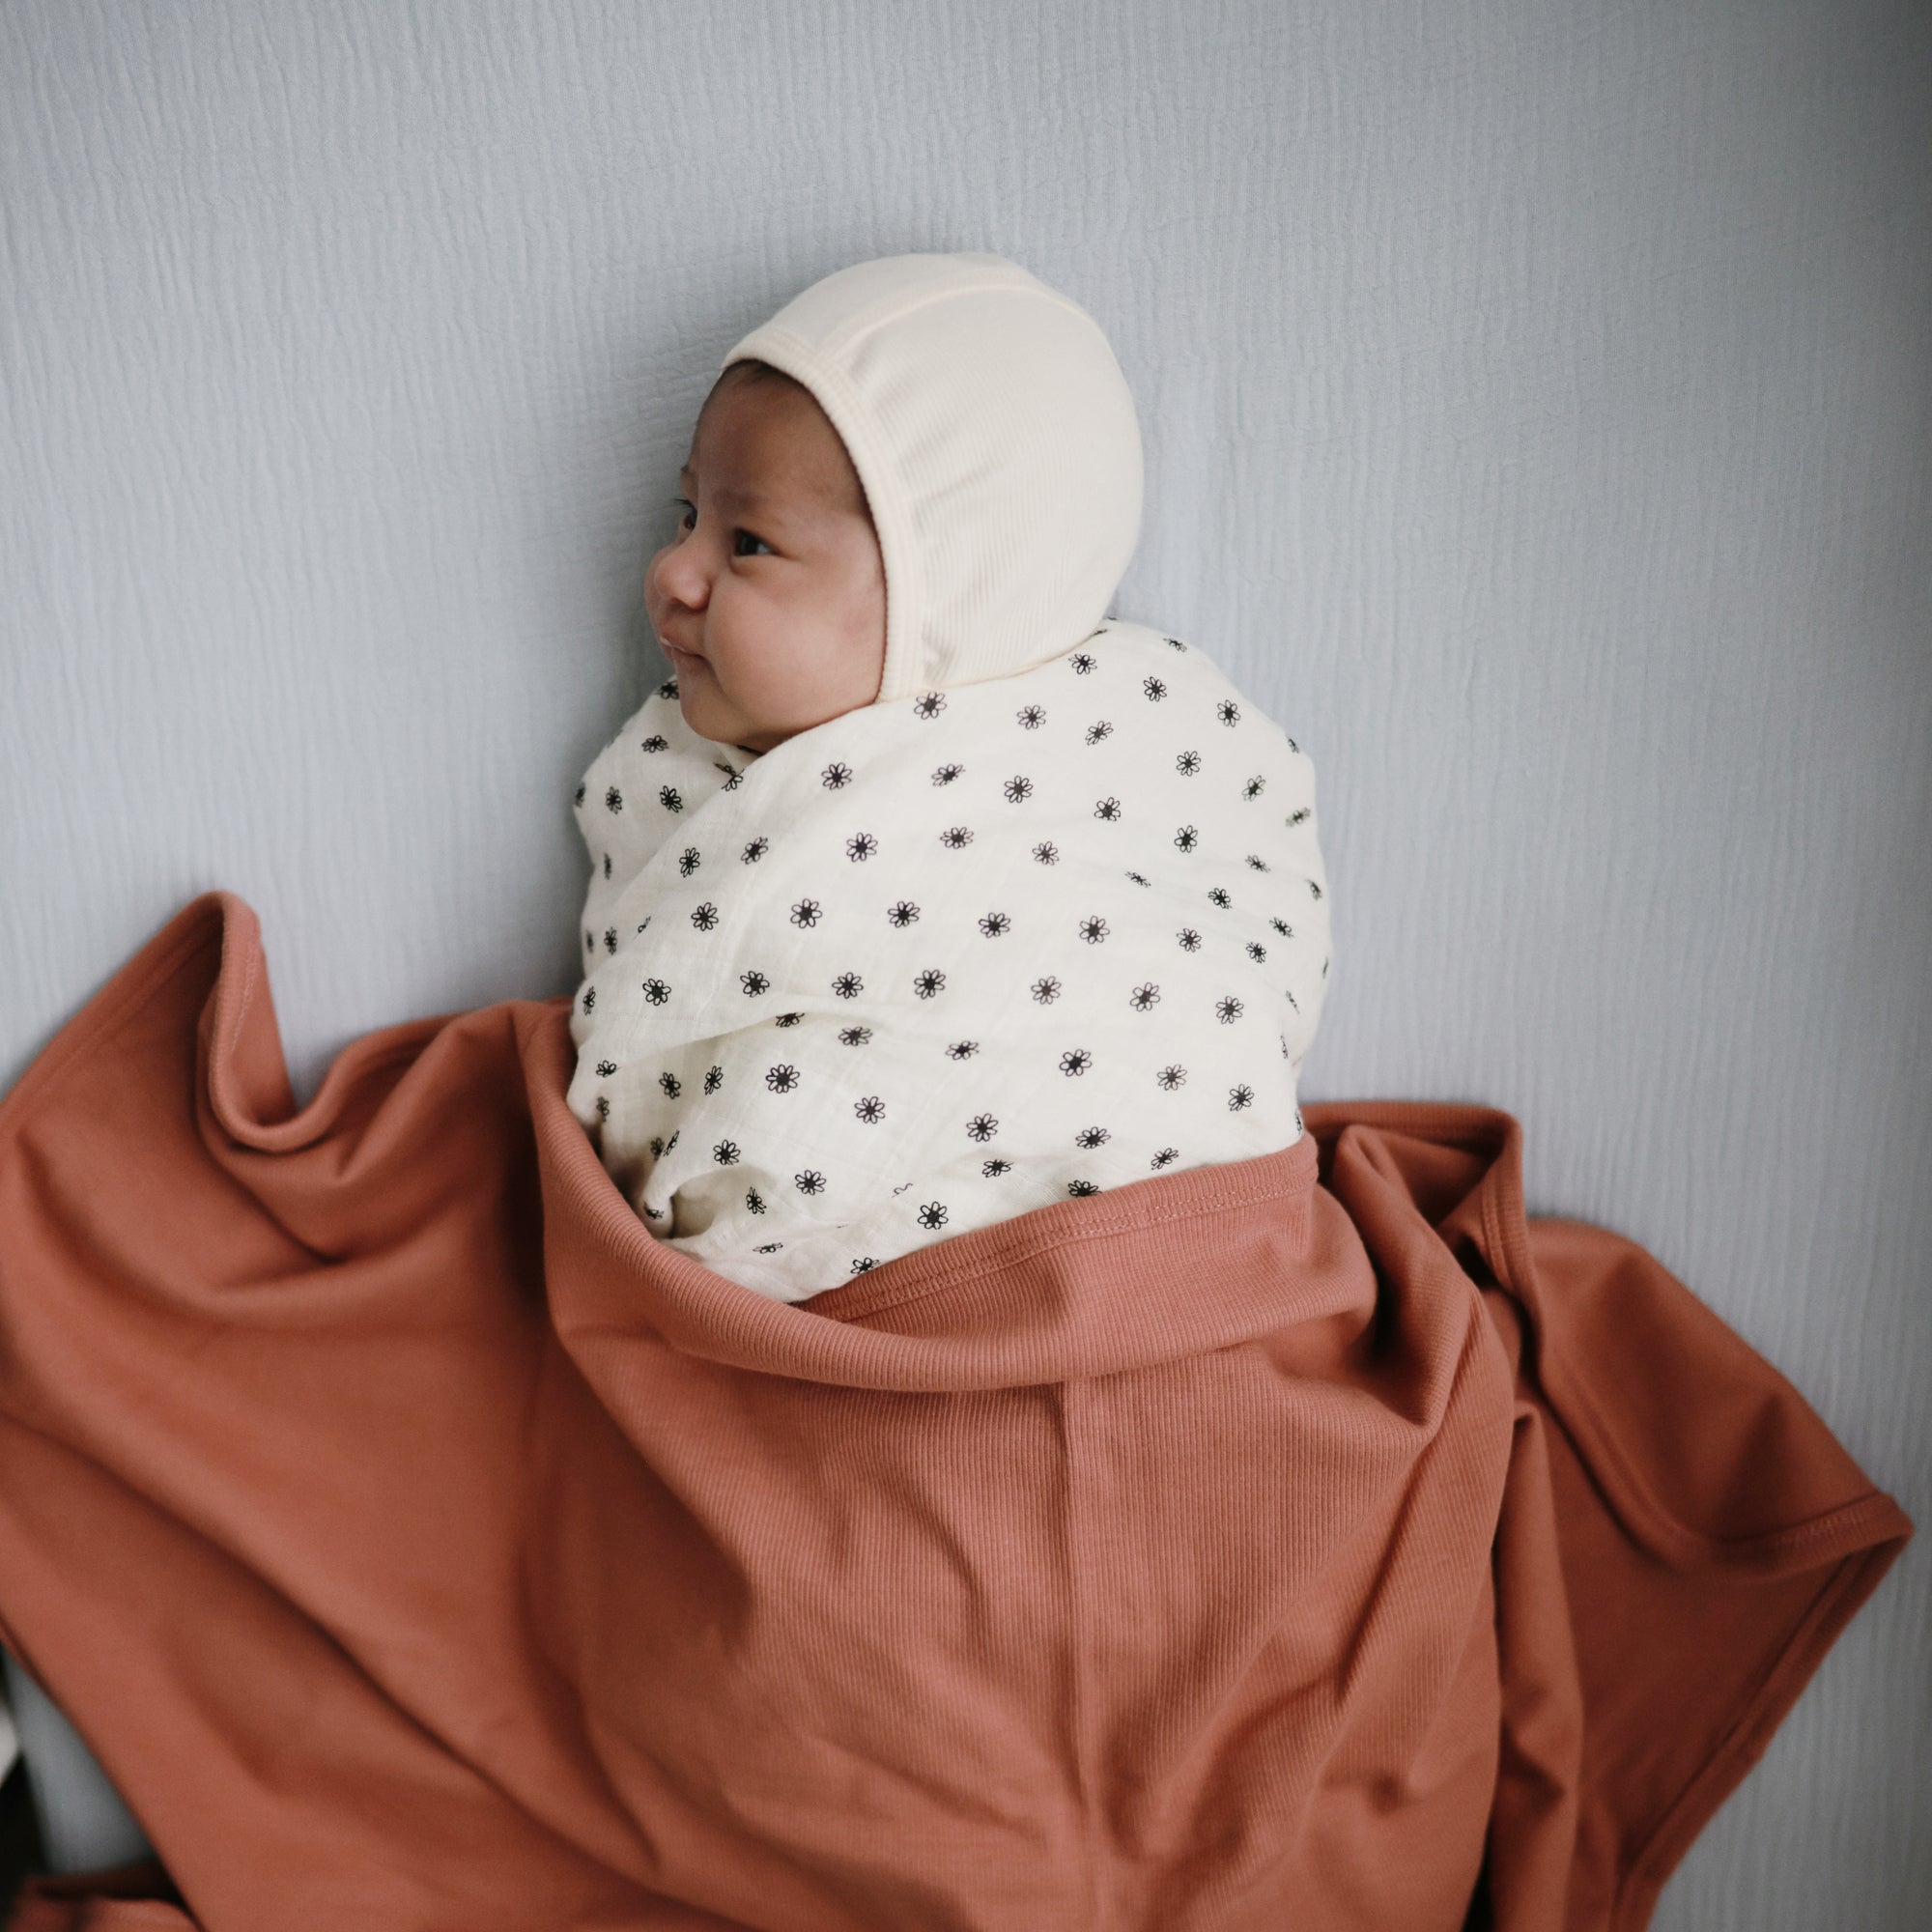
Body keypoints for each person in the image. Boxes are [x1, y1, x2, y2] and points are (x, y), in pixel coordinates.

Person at [567, 252, 1331, 1299]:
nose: (671, 571)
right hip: (843, 1304)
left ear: (950, 594)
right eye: (684, 513)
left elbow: (1223, 999)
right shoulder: (678, 767)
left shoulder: (1140, 726)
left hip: (1153, 1264)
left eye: (746, 541)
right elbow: (651, 1078)